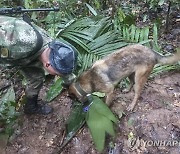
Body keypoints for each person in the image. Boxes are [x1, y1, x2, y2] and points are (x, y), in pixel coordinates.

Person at [0, 15, 78, 115]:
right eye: (57, 74)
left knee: (36, 78)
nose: (58, 75)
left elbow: (64, 71)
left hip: (25, 58)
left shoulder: (53, 49)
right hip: (11, 48)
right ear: (48, 64)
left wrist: (76, 87)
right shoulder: (19, 41)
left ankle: (31, 107)